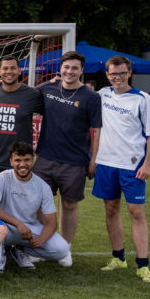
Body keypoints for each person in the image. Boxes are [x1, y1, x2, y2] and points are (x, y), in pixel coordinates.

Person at [94, 55, 150, 283]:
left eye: (122, 73)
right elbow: (75, 91)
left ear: (129, 73)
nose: (117, 77)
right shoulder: (102, 94)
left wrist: (147, 165)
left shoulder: (142, 99)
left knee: (136, 212)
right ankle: (118, 257)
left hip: (132, 166)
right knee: (111, 210)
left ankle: (142, 265)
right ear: (107, 75)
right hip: (106, 163)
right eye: (113, 74)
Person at [33, 51, 101, 256]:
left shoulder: (91, 97)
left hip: (75, 161)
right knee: (37, 204)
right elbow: (21, 95)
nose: (69, 71)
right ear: (60, 68)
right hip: (45, 157)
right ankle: (43, 245)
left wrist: (94, 161)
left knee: (69, 205)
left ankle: (65, 248)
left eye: (74, 68)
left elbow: (98, 131)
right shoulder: (47, 88)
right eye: (66, 67)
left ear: (81, 70)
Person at [0, 142, 71, 269]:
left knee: (62, 249)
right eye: (17, 160)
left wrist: (41, 239)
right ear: (11, 161)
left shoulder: (43, 186)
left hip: (29, 229)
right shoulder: (1, 178)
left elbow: (51, 222)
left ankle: (21, 250)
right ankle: (0, 253)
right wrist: (19, 224)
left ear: (33, 160)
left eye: (27, 160)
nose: (22, 164)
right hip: (4, 227)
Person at [0, 55, 44, 194]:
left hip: (21, 162)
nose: (9, 71)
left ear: (19, 71)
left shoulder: (32, 95)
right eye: (5, 68)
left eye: (13, 68)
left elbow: (49, 108)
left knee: (21, 208)